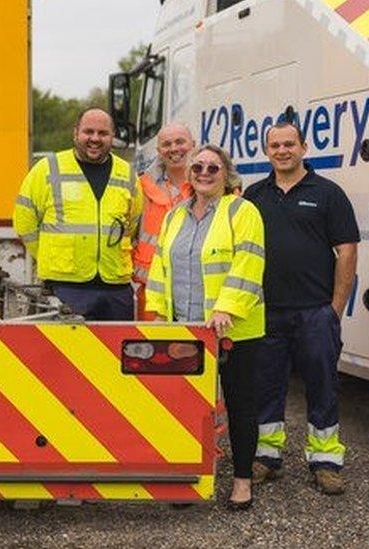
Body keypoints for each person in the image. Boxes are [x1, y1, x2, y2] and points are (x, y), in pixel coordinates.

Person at [146, 144, 265, 510]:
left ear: (227, 175)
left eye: (213, 168)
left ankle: (242, 481)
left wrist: (226, 308)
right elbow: (160, 266)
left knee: (241, 405)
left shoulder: (242, 211)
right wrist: (156, 312)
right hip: (186, 328)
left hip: (233, 330)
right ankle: (189, 478)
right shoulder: (175, 215)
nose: (203, 172)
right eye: (198, 166)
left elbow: (247, 263)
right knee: (186, 405)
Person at [243, 122, 358, 495]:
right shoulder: (254, 195)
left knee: (322, 385)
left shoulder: (328, 194)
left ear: (303, 147)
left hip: (315, 311)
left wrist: (334, 309)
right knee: (266, 386)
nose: (282, 151)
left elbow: (347, 252)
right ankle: (266, 456)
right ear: (267, 151)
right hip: (266, 311)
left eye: (289, 144)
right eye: (275, 145)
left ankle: (326, 461)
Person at [13, 107, 142, 320]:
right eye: (88, 132)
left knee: (115, 354)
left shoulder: (127, 173)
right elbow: (24, 223)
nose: (95, 138)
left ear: (112, 137)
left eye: (103, 133)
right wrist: (50, 254)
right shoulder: (47, 168)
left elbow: (133, 223)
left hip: (116, 289)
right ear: (76, 134)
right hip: (65, 288)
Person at [133, 123, 195, 320]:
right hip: (152, 294)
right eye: (167, 144)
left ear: (193, 144)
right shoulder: (141, 188)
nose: (174, 149)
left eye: (180, 142)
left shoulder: (210, 184)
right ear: (159, 151)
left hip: (198, 293)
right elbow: (126, 234)